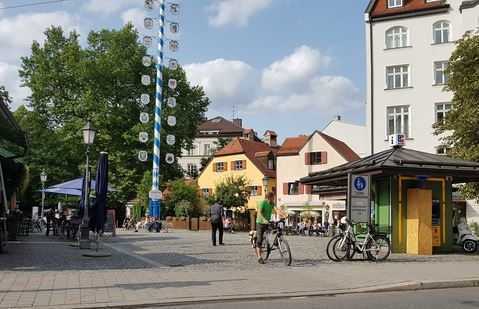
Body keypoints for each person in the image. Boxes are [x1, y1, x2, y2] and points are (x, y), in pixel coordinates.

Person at [255, 191, 276, 264]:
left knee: (275, 230)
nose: (274, 199)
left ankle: (275, 242)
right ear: (269, 197)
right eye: (273, 197)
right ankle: (259, 257)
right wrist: (264, 220)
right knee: (259, 240)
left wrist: (283, 214)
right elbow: (259, 212)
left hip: (267, 222)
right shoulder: (263, 202)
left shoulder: (272, 203)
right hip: (260, 223)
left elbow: (276, 209)